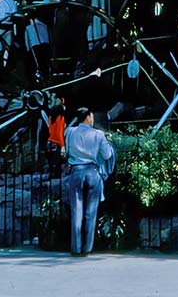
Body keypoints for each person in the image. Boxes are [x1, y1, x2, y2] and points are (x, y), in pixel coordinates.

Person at [64, 106, 114, 256]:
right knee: (91, 212)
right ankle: (87, 249)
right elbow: (106, 155)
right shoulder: (98, 134)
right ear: (89, 116)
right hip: (92, 172)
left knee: (76, 211)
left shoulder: (70, 132)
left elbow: (66, 151)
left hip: (76, 171)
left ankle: (75, 248)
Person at [45, 100, 66, 176]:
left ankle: (51, 174)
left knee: (51, 163)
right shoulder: (60, 118)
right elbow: (59, 134)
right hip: (56, 143)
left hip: (49, 142)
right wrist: (62, 146)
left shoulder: (50, 118)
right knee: (58, 164)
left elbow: (50, 130)